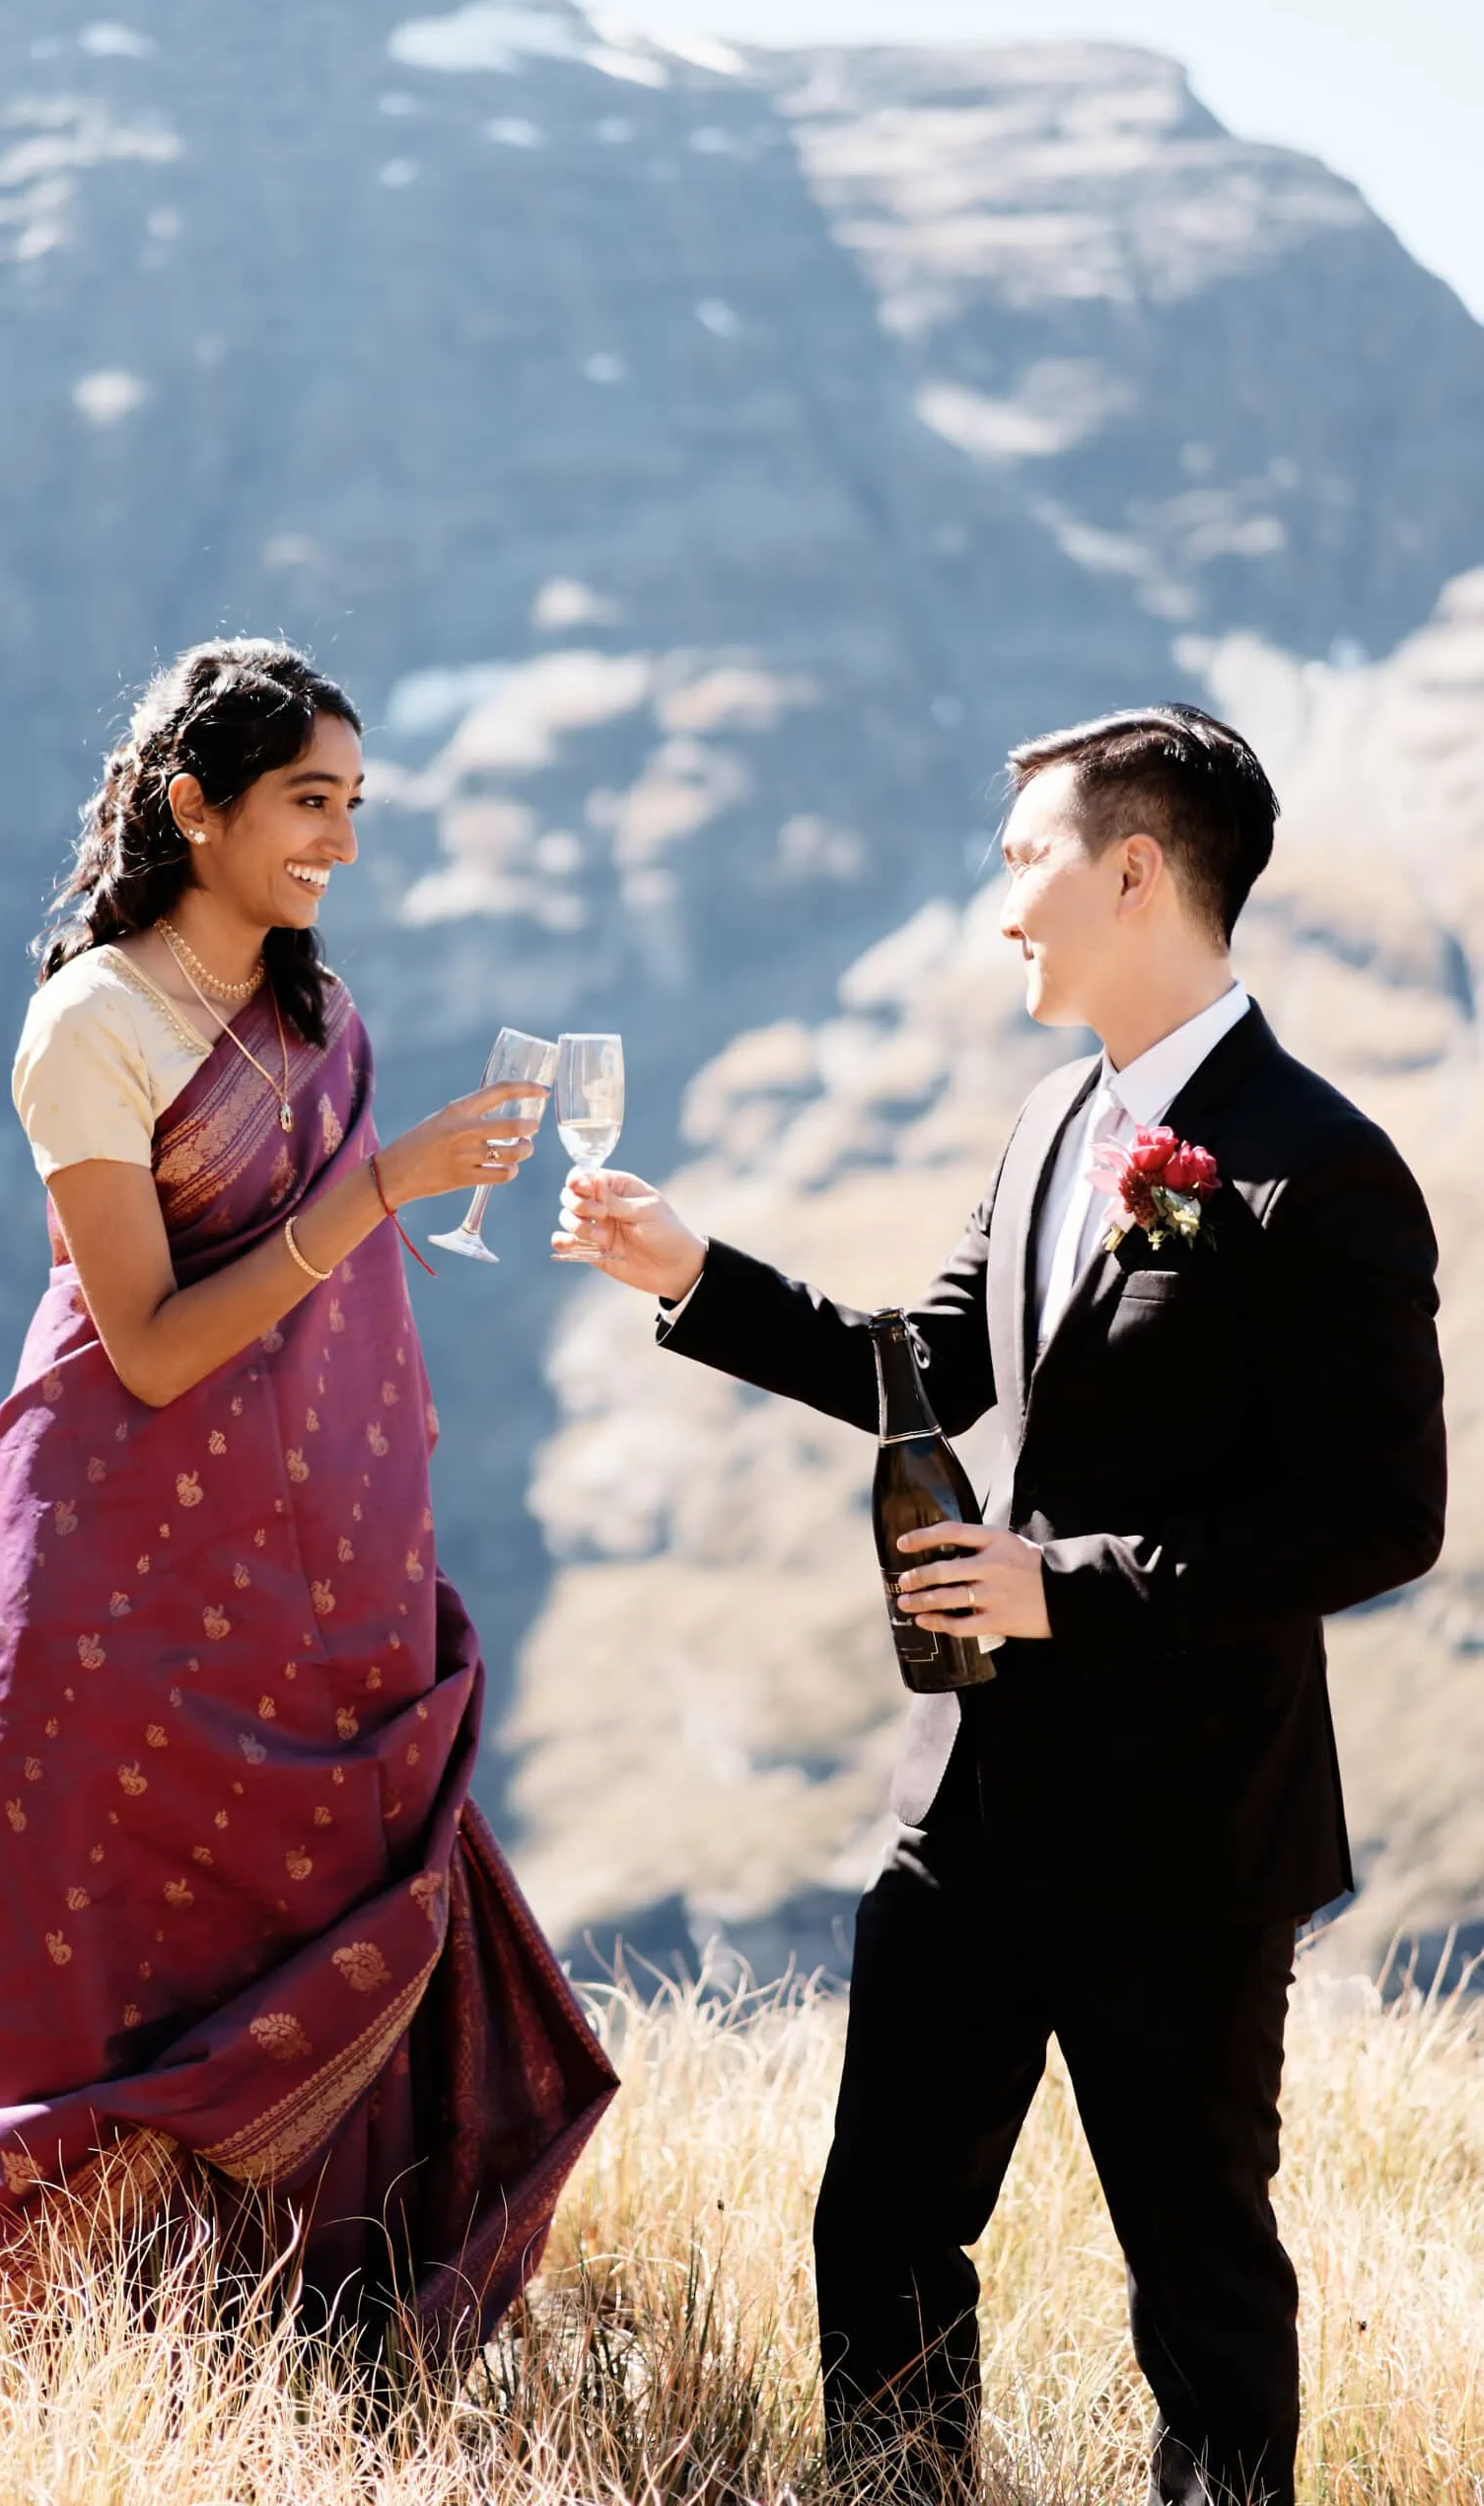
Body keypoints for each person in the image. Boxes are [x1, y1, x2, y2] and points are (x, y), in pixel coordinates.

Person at [554, 704, 1446, 2506]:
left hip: (1185, 1830)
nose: (1002, 908)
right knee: (876, 2240)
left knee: (1197, 2284)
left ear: (1135, 872)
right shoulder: (1053, 1119)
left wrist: (1070, 1593)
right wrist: (694, 1275)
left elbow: (1379, 1520)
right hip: (960, 1806)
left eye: (1023, 861)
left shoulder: (1318, 1166)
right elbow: (931, 1364)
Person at [0, 638, 615, 2343]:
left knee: (324, 1883)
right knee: (128, 1938)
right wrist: (380, 1190)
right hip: (124, 1565)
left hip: (309, 1548)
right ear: (194, 808)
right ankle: (124, 2343)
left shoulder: (311, 1010)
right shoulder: (88, 1024)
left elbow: (339, 1317)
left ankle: (343, 2323)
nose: (340, 837)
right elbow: (155, 1348)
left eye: (354, 803)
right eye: (308, 801)